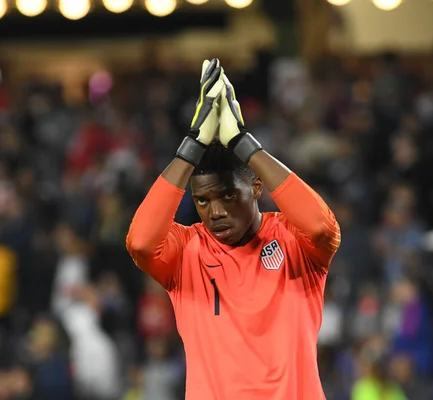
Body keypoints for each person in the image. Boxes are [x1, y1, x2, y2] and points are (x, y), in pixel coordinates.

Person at [126, 58, 341, 399]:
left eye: (228, 195)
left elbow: (321, 229)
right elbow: (139, 243)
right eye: (203, 201)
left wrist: (243, 143)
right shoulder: (187, 251)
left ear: (256, 187)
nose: (216, 212)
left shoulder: (292, 239)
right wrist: (191, 147)